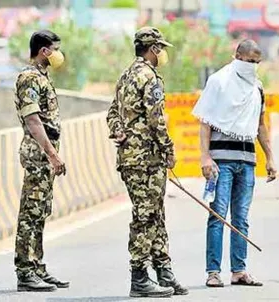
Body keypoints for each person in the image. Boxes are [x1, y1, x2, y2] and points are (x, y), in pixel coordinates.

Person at [106, 27, 188, 298]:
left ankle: (163, 271)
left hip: (132, 158)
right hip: (146, 158)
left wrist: (118, 129)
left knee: (155, 213)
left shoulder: (126, 75)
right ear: (153, 49)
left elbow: (111, 113)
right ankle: (139, 277)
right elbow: (156, 119)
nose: (162, 53)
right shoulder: (149, 77)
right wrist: (168, 149)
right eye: (160, 48)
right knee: (145, 215)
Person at [192, 39, 277, 288]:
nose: (252, 66)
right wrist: (205, 157)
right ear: (236, 55)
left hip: (247, 161)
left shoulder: (257, 88)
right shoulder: (219, 81)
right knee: (218, 215)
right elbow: (205, 121)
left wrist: (269, 157)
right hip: (221, 161)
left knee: (241, 217)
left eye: (256, 62)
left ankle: (239, 270)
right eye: (248, 60)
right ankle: (213, 271)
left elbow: (260, 125)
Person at [13, 29, 69, 292]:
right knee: (31, 212)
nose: (59, 53)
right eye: (55, 48)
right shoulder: (29, 78)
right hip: (38, 154)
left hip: (44, 155)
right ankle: (25, 270)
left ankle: (37, 266)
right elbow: (33, 120)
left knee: (41, 212)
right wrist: (52, 153)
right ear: (44, 51)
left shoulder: (42, 77)